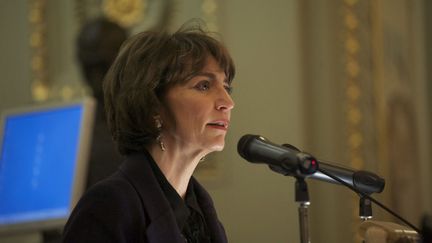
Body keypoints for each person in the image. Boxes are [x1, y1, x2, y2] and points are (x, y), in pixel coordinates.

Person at [62, 23, 235, 243]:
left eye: (226, 87)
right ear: (153, 104)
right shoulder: (106, 208)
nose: (227, 103)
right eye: (203, 85)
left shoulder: (200, 211)